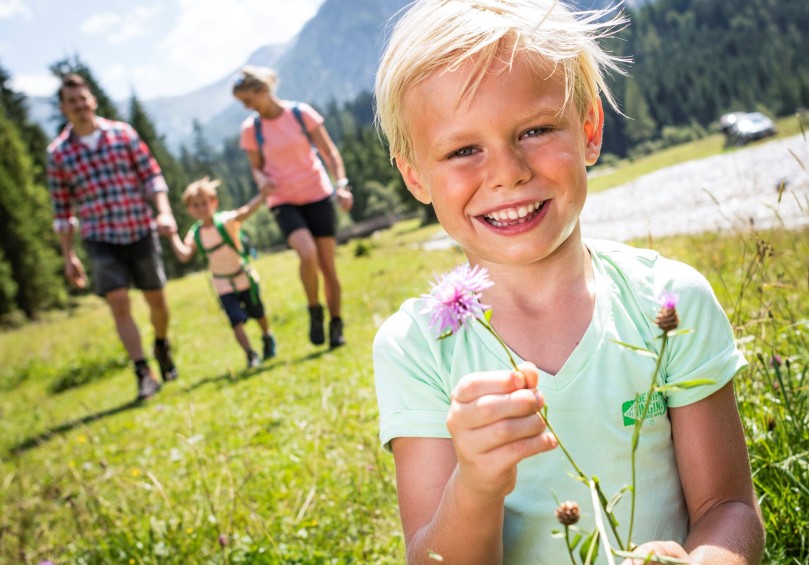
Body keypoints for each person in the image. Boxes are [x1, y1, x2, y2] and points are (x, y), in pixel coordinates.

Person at [372, 1, 765, 564]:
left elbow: (729, 508)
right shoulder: (415, 349)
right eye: (463, 150)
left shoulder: (670, 303)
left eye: (533, 130)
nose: (507, 172)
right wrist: (476, 484)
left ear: (589, 130)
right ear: (415, 175)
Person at [47, 73, 179, 401]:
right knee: (119, 302)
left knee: (157, 301)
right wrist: (69, 256)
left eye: (83, 99)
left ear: (92, 100)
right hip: (99, 236)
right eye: (71, 102)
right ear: (64, 108)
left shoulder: (122, 134)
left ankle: (161, 345)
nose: (79, 106)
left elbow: (152, 176)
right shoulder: (59, 153)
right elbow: (62, 212)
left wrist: (164, 212)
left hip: (138, 227)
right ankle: (142, 372)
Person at [232, 66, 352, 349]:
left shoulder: (301, 114)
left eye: (249, 100)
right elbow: (256, 169)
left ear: (263, 91)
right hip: (283, 200)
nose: (247, 107)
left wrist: (342, 184)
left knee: (328, 266)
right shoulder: (252, 129)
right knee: (306, 253)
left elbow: (329, 152)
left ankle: (335, 323)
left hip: (317, 194)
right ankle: (314, 309)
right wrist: (262, 181)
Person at [169, 176, 277, 369]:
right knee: (235, 321)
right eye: (196, 205)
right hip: (222, 284)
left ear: (214, 203)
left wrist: (262, 196)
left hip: (243, 277)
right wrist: (171, 235)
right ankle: (250, 354)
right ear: (189, 209)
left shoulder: (226, 221)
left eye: (204, 203)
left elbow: (246, 211)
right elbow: (184, 255)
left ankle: (267, 336)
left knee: (258, 313)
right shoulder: (195, 234)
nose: (201, 208)